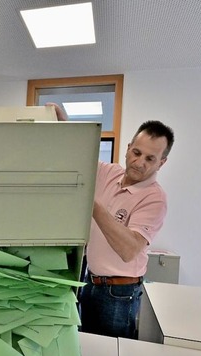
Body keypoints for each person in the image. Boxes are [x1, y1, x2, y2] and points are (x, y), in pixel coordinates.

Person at [79, 119, 174, 339]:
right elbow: (81, 151)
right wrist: (61, 120)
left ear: (162, 162)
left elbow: (129, 250)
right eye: (137, 152)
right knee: (90, 348)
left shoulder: (155, 198)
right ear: (128, 149)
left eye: (150, 158)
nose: (139, 162)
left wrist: (92, 206)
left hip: (118, 293)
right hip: (91, 281)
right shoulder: (109, 173)